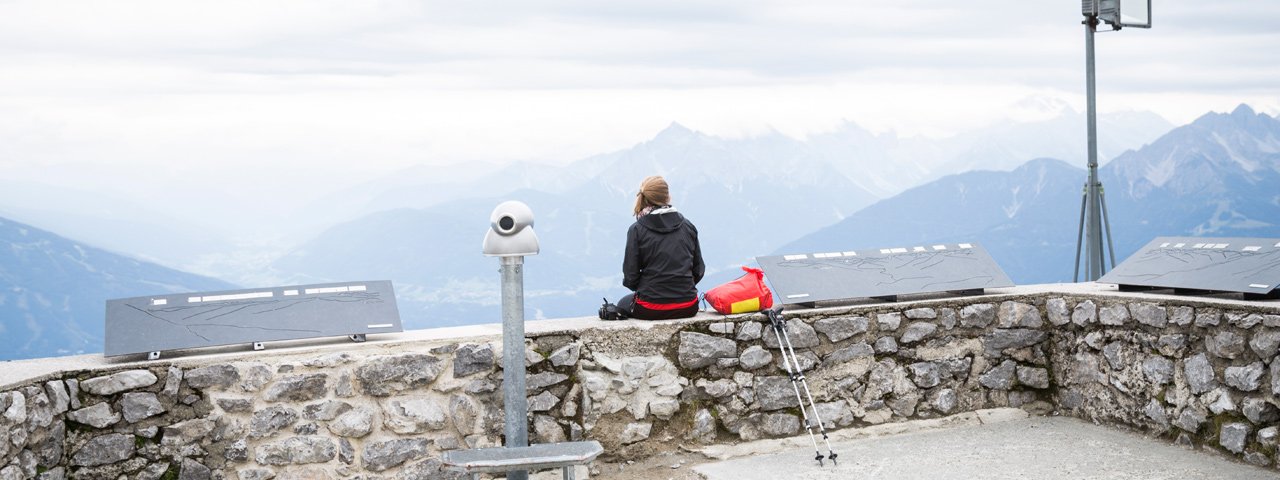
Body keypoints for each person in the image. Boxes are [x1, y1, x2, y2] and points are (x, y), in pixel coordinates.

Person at [615, 176, 705, 320]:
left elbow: (630, 277)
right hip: (688, 306)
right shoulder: (688, 226)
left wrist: (650, 291)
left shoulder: (636, 230)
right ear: (668, 197)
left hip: (650, 308)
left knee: (623, 303)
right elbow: (698, 270)